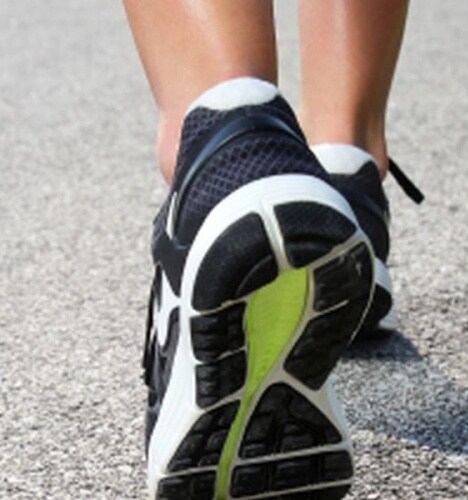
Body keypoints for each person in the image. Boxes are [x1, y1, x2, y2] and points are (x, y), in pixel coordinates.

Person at [124, 1, 422, 498]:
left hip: (227, 184)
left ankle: (225, 138)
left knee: (224, 114)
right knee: (342, 138)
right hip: (345, 204)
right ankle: (345, 171)